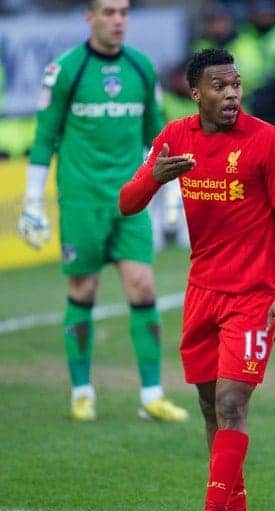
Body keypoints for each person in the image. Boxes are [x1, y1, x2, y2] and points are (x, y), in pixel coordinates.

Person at [119, 48, 275, 511]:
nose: (232, 95)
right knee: (207, 405)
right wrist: (154, 177)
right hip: (202, 292)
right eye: (220, 87)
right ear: (195, 92)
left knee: (230, 402)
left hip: (254, 295)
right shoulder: (176, 137)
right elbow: (128, 203)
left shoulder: (266, 140)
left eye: (237, 85)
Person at [16, 0, 188, 423]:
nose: (118, 20)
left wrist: (171, 196)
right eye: (109, 12)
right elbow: (44, 139)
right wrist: (33, 201)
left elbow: (157, 137)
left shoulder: (142, 68)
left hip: (131, 200)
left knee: (143, 288)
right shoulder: (66, 70)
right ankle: (82, 392)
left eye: (124, 13)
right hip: (82, 201)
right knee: (83, 292)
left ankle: (151, 395)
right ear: (89, 17)